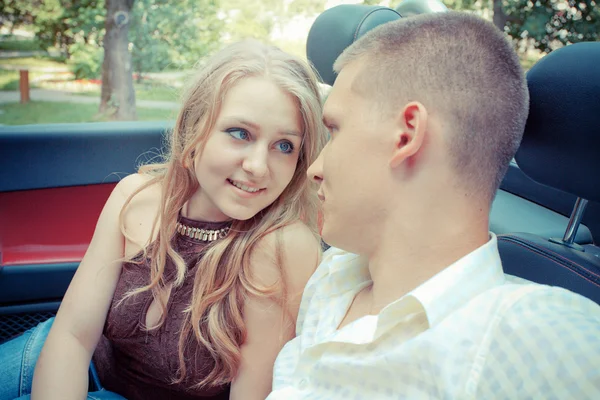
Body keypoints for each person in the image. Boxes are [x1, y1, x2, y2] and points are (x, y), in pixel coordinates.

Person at [267, 11, 600, 399]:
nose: (315, 169)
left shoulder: (532, 336)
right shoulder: (334, 274)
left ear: (407, 134)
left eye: (335, 130)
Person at [0, 40, 326, 400]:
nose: (258, 166)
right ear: (194, 129)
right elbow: (74, 337)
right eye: (240, 133)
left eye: (284, 146)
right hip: (80, 359)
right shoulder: (136, 197)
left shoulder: (283, 248)